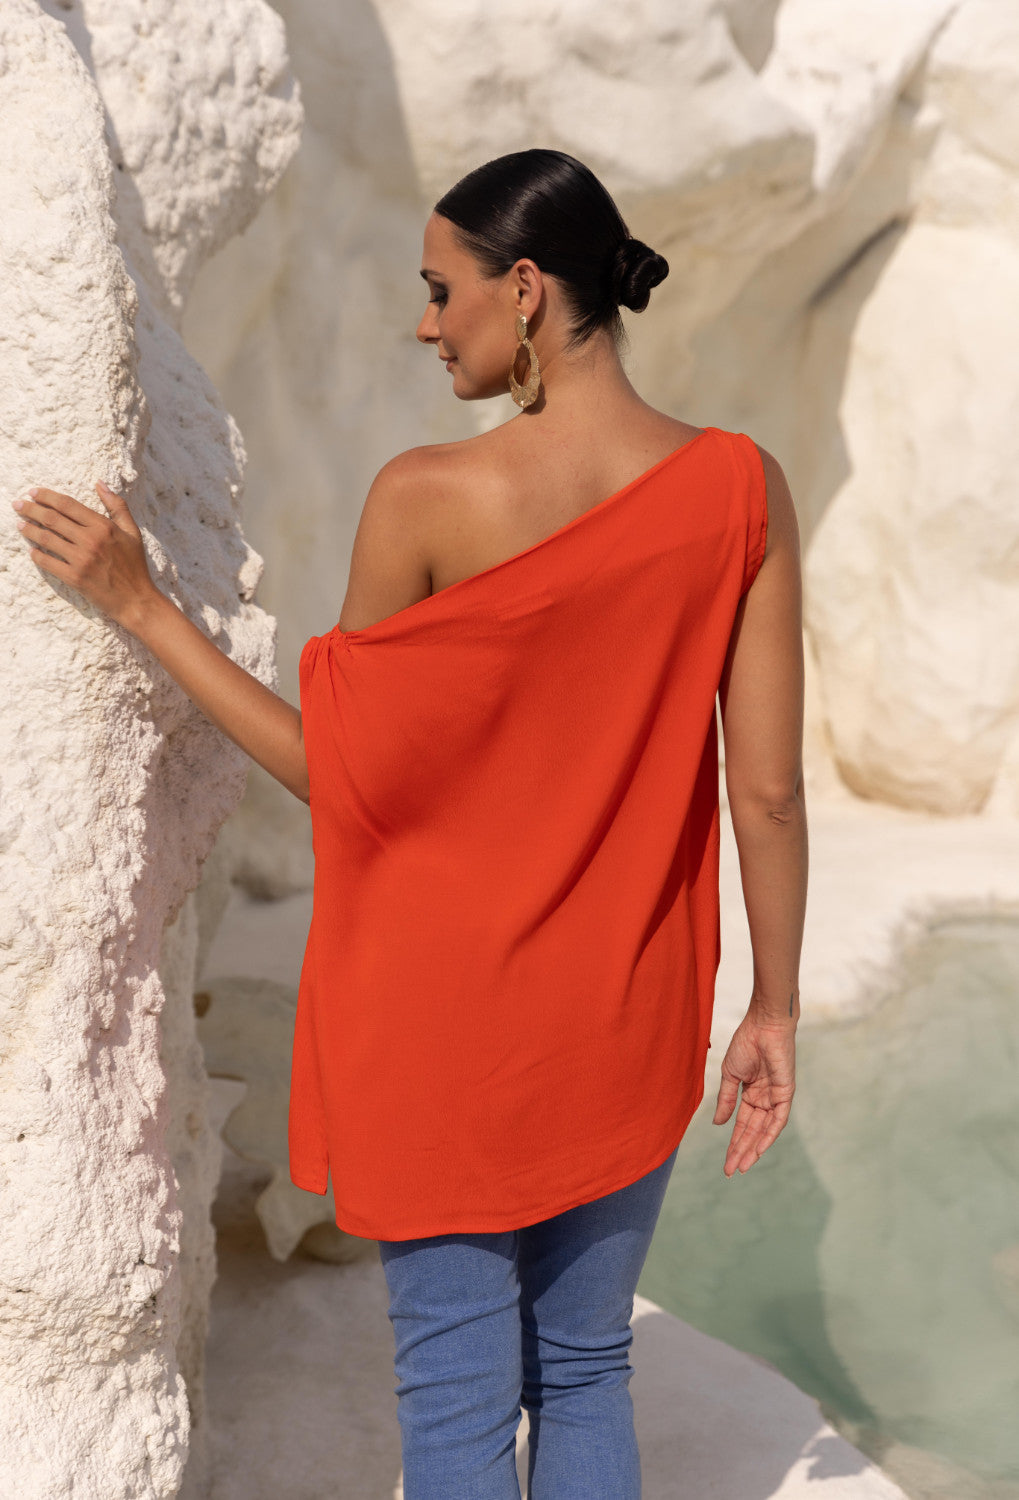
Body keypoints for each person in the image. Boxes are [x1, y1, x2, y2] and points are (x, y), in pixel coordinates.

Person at [12, 149, 806, 1500]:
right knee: (588, 1369)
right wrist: (774, 1009)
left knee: (454, 1412)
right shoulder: (741, 487)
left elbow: (339, 773)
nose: (426, 323)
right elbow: (769, 793)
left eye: (442, 291)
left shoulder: (428, 498)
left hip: (444, 1035)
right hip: (626, 1012)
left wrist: (143, 608)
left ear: (527, 288)